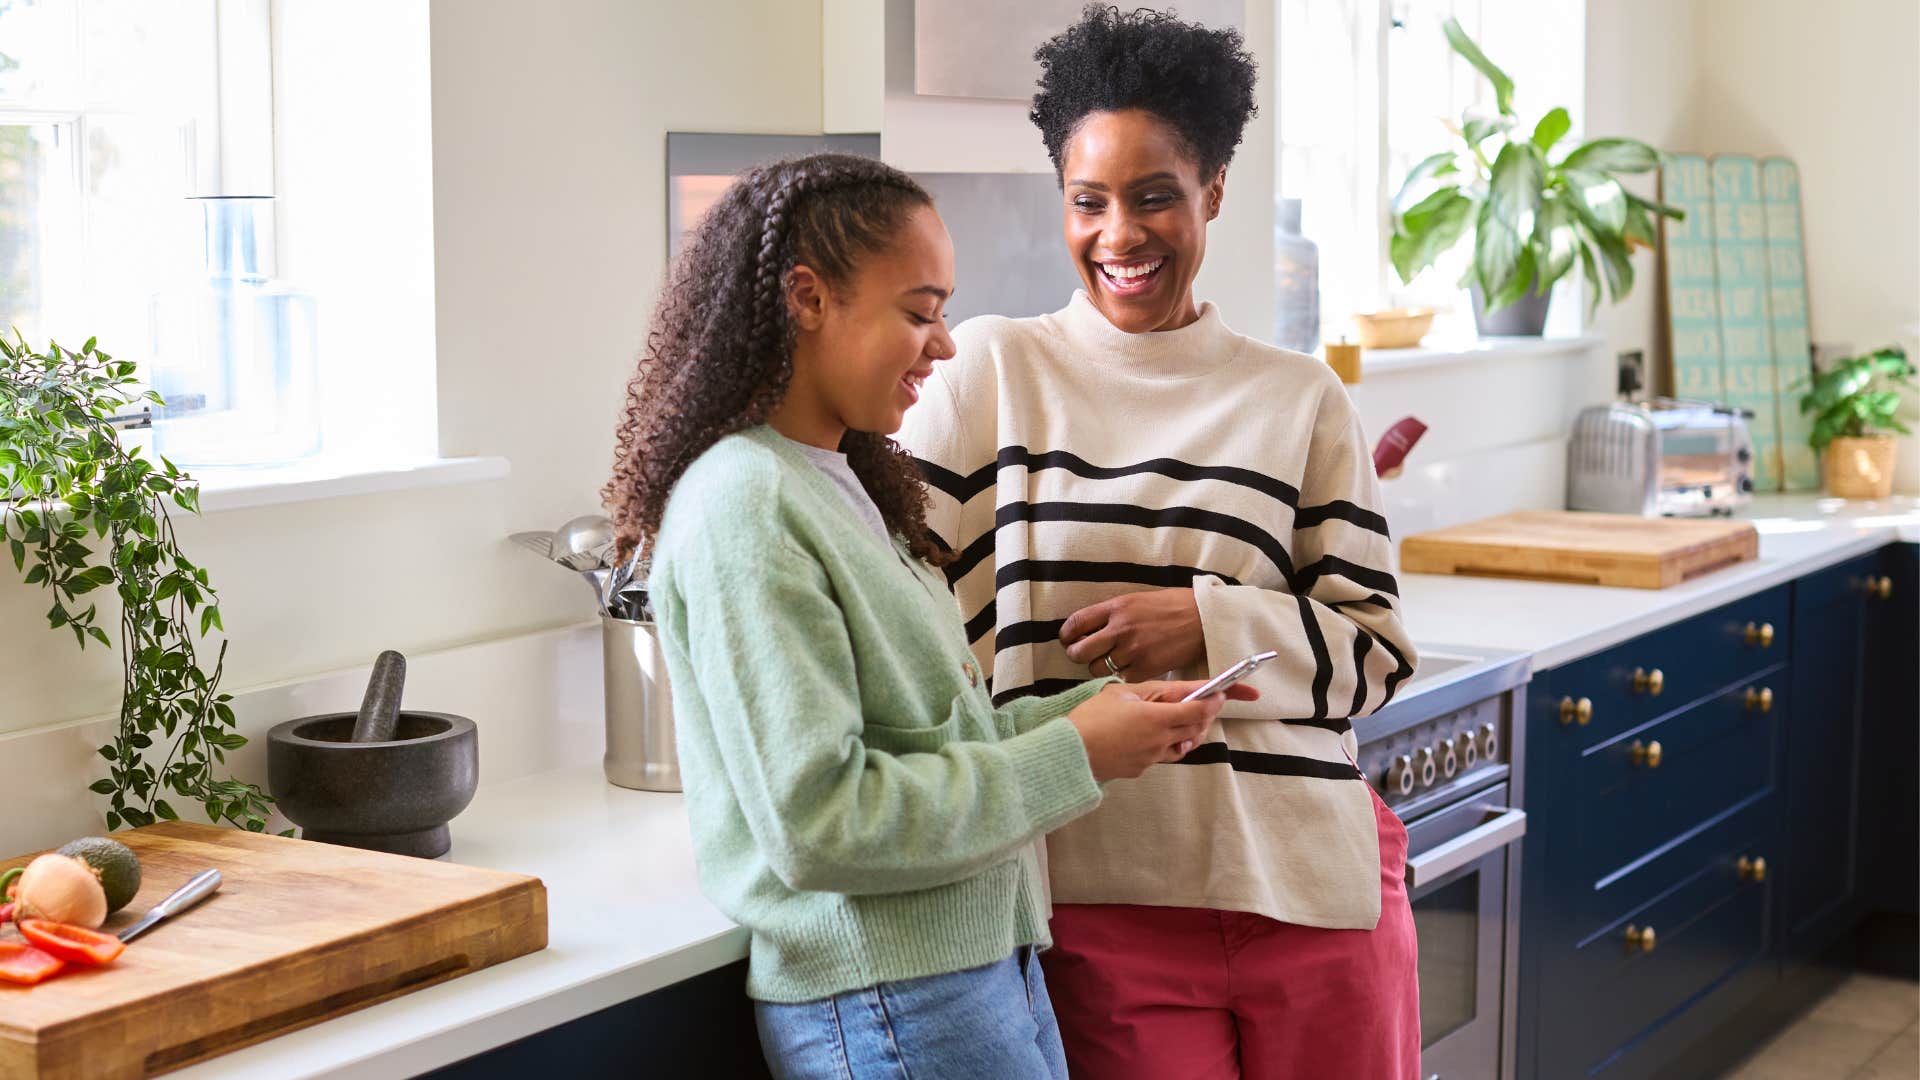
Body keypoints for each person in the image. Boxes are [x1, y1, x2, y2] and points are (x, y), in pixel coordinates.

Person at [606, 152, 1253, 1080]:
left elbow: (930, 741)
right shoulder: (743, 502)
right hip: (893, 1004)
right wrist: (1077, 753)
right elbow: (821, 822)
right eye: (919, 311)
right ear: (807, 297)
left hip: (970, 976)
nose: (944, 344)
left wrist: (1101, 719)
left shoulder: (840, 482)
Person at [896, 8, 1423, 1077]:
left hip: (1315, 886)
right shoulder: (985, 376)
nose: (1119, 235)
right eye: (1088, 202)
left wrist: (1207, 621)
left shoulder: (1301, 399)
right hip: (1099, 896)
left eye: (1154, 198)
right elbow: (900, 621)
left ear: (1213, 191)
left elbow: (1374, 655)